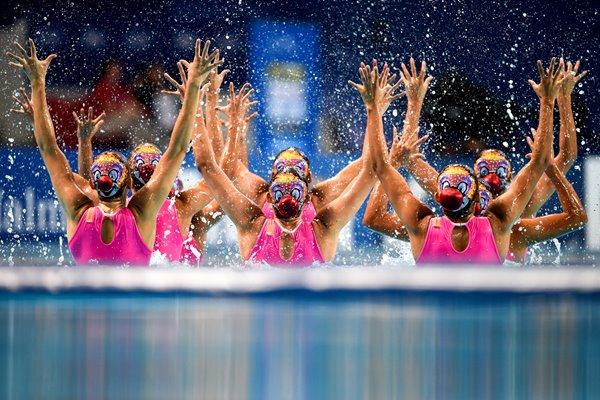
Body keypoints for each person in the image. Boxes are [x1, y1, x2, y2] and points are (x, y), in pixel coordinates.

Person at [8, 38, 221, 266]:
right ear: (129, 184)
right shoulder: (142, 212)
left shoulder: (78, 210)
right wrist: (195, 89)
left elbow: (48, 148)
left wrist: (37, 84)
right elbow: (178, 149)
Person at [187, 60, 398, 265]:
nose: (287, 191)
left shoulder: (256, 221)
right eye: (282, 172)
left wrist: (201, 96)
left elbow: (213, 168)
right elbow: (228, 170)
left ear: (308, 185)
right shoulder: (323, 225)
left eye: (296, 171)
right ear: (270, 186)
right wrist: (373, 110)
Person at [369, 58, 562, 264]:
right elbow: (540, 162)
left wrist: (381, 108)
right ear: (477, 199)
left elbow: (383, 168)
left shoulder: (422, 227)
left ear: (437, 195)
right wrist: (548, 101)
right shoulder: (501, 223)